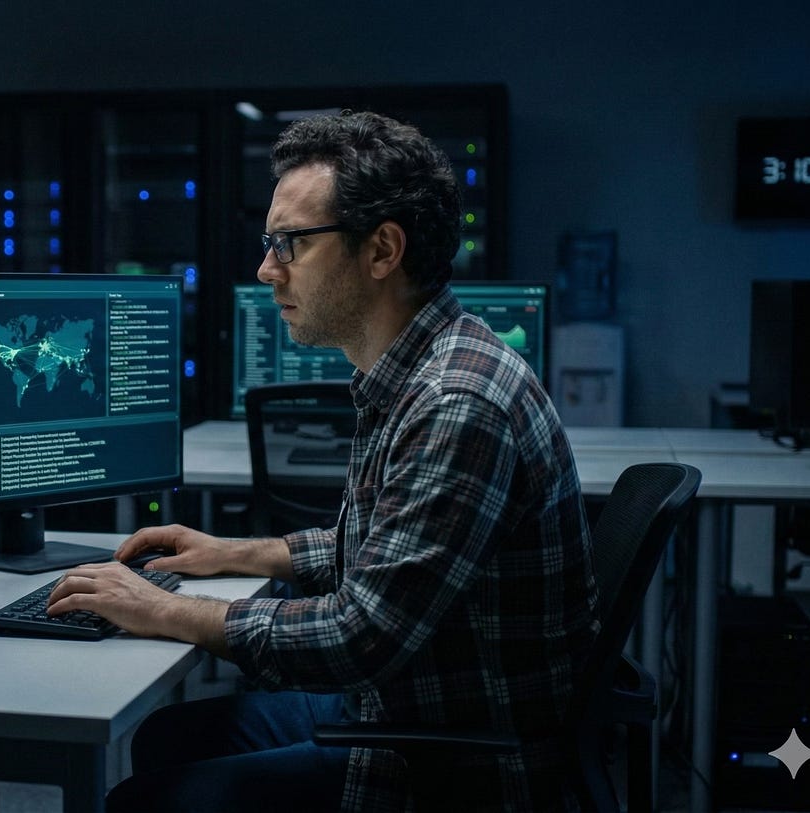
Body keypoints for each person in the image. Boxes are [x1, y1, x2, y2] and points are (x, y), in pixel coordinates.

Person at [46, 110, 600, 811]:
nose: (265, 269)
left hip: (449, 763)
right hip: (406, 705)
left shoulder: (455, 403)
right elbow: (380, 553)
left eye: (291, 244)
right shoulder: (421, 368)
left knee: (146, 801)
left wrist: (162, 609)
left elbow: (358, 637)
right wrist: (232, 553)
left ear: (382, 250)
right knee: (167, 737)